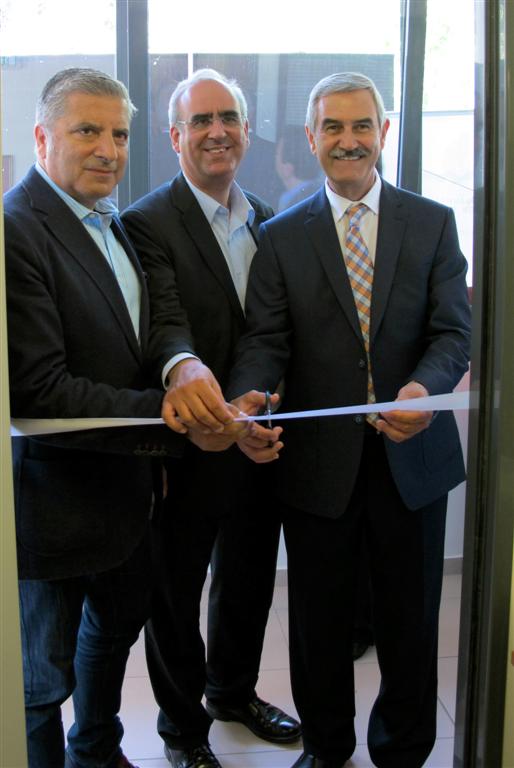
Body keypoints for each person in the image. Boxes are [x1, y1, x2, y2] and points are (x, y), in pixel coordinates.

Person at [223, 72, 471, 767]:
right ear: (311, 138)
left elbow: (453, 332)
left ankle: (402, 750)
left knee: (410, 622)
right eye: (332, 127)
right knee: (319, 624)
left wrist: (424, 388)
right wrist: (248, 396)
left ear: (383, 133)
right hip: (317, 467)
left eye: (362, 125)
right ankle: (328, 749)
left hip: (411, 461)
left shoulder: (433, 223)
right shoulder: (281, 236)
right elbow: (265, 340)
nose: (348, 140)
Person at [4, 67, 243, 768]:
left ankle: (98, 750)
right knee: (39, 682)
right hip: (51, 502)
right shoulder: (16, 230)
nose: (108, 150)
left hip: (127, 497)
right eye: (88, 131)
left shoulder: (114, 220)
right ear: (42, 137)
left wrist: (184, 367)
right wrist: (169, 414)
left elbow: (159, 319)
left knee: (114, 632)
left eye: (118, 134)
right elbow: (37, 390)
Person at [122, 69, 300, 768]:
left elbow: (273, 327)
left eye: (228, 117)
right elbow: (164, 324)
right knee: (176, 594)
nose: (216, 131)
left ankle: (233, 693)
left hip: (259, 439)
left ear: (247, 131)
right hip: (189, 446)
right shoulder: (147, 221)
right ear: (175, 137)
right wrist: (194, 377)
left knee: (249, 580)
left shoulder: (266, 216)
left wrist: (256, 405)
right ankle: (183, 731)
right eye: (200, 121)